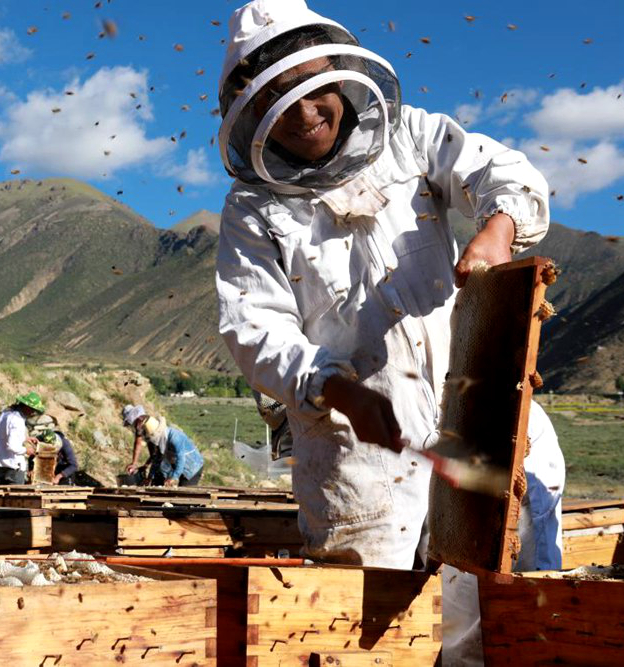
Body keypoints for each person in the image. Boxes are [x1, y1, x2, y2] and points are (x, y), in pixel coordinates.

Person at [215, 1, 560, 663]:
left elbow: (504, 173)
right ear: (252, 112)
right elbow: (253, 326)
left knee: (483, 624)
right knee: (371, 638)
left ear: (339, 72)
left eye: (313, 83)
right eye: (279, 96)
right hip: (356, 455)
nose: (306, 108)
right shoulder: (253, 209)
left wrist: (495, 233)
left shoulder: (411, 137)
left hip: (474, 419)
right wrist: (335, 388)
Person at [122, 405, 204, 487]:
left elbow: (181, 458)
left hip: (193, 467)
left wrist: (174, 477)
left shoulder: (175, 437)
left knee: (185, 494)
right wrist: (150, 478)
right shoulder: (161, 442)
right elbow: (156, 460)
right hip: (177, 466)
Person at [0, 392, 45, 485]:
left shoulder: (6, 414)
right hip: (14, 467)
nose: (33, 413)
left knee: (2, 498)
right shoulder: (17, 420)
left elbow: (6, 434)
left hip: (1, 464)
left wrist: (25, 438)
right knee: (16, 498)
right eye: (32, 410)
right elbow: (12, 446)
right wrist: (26, 450)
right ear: (27, 407)